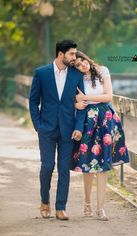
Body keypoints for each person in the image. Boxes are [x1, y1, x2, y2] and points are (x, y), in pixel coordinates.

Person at [29, 40, 86, 220]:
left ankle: (60, 207)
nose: (74, 57)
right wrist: (38, 125)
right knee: (47, 167)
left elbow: (82, 103)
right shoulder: (41, 73)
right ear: (61, 54)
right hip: (46, 128)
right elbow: (33, 101)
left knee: (63, 169)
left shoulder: (77, 75)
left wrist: (78, 127)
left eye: (75, 54)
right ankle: (44, 201)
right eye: (71, 54)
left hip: (68, 130)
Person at [71, 51, 129, 221]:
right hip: (88, 121)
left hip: (106, 118)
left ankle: (101, 208)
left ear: (86, 58)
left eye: (82, 60)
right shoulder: (77, 80)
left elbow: (108, 96)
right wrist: (77, 102)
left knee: (103, 165)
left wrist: (86, 97)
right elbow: (74, 100)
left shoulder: (103, 70)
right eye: (77, 65)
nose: (82, 64)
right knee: (87, 162)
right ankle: (87, 203)